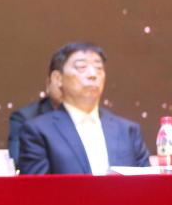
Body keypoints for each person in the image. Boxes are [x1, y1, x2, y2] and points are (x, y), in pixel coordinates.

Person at [18, 42, 149, 175]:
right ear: (58, 79)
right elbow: (36, 186)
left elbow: (148, 183)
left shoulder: (127, 130)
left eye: (98, 68)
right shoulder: (39, 131)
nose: (93, 75)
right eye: (81, 67)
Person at [7, 62, 63, 161]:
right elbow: (17, 161)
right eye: (59, 80)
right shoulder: (25, 118)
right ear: (48, 84)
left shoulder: (92, 117)